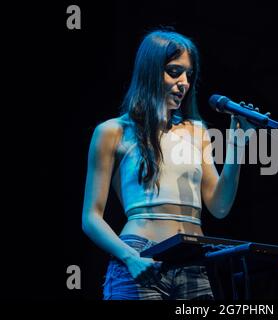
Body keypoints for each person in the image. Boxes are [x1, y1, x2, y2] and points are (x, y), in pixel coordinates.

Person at [81, 29, 260, 300]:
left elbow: (220, 207)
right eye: (174, 72)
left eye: (188, 75)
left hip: (193, 264)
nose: (184, 83)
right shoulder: (112, 131)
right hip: (141, 257)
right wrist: (130, 257)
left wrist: (236, 146)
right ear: (150, 72)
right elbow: (91, 217)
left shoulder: (197, 131)